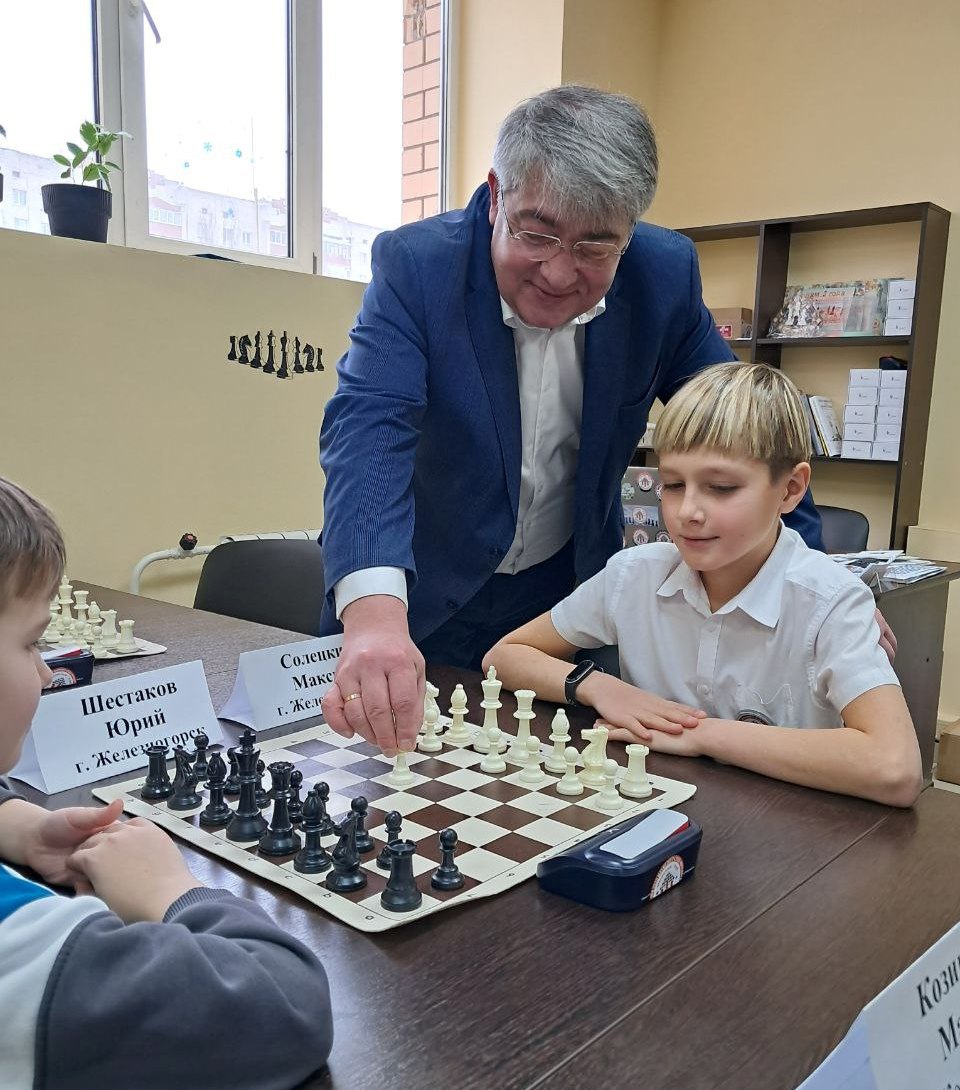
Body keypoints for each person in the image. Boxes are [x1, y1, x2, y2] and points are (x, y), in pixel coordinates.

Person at [318, 84, 823, 756]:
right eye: (536, 233)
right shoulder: (419, 267)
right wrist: (376, 614)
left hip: (559, 614)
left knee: (554, 792)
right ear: (495, 196)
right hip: (416, 598)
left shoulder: (663, 276)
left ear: (629, 232)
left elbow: (748, 428)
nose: (559, 273)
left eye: (595, 247)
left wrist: (814, 585)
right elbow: (369, 432)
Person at [0, 477, 334, 1090]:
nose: (48, 673)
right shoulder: (24, 954)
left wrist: (16, 823)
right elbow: (284, 1003)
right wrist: (173, 892)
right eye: (30, 644)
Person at [482, 363, 921, 808]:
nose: (687, 512)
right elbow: (505, 656)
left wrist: (702, 735)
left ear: (790, 489)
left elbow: (895, 768)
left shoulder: (830, 601)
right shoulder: (635, 575)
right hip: (656, 807)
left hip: (792, 827)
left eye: (721, 487)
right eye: (673, 485)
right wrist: (600, 687)